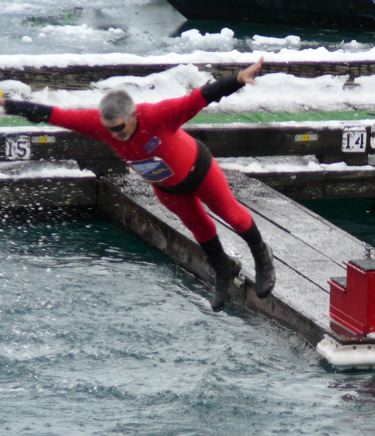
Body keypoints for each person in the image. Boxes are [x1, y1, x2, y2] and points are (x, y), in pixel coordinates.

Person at [0, 58, 275, 312]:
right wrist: (8, 105)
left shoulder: (157, 115)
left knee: (233, 216)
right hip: (167, 188)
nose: (113, 135)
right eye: (108, 129)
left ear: (132, 115)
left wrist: (237, 78)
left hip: (199, 171)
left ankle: (262, 255)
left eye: (118, 128)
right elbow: (54, 115)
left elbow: (198, 98)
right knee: (200, 229)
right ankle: (223, 269)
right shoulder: (102, 125)